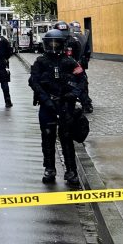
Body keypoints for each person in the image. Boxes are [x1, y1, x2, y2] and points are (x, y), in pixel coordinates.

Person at [29, 28, 86, 185]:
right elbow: (33, 82)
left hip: (65, 105)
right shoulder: (40, 61)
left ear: (62, 44)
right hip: (47, 105)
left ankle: (71, 170)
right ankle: (49, 169)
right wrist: (46, 99)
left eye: (56, 43)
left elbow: (82, 80)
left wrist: (72, 94)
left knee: (66, 138)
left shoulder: (70, 61)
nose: (53, 47)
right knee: (47, 137)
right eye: (51, 43)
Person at [55, 20, 94, 113]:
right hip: (76, 65)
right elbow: (85, 52)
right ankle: (86, 104)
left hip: (71, 66)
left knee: (81, 82)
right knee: (82, 83)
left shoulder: (69, 39)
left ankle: (85, 103)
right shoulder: (78, 38)